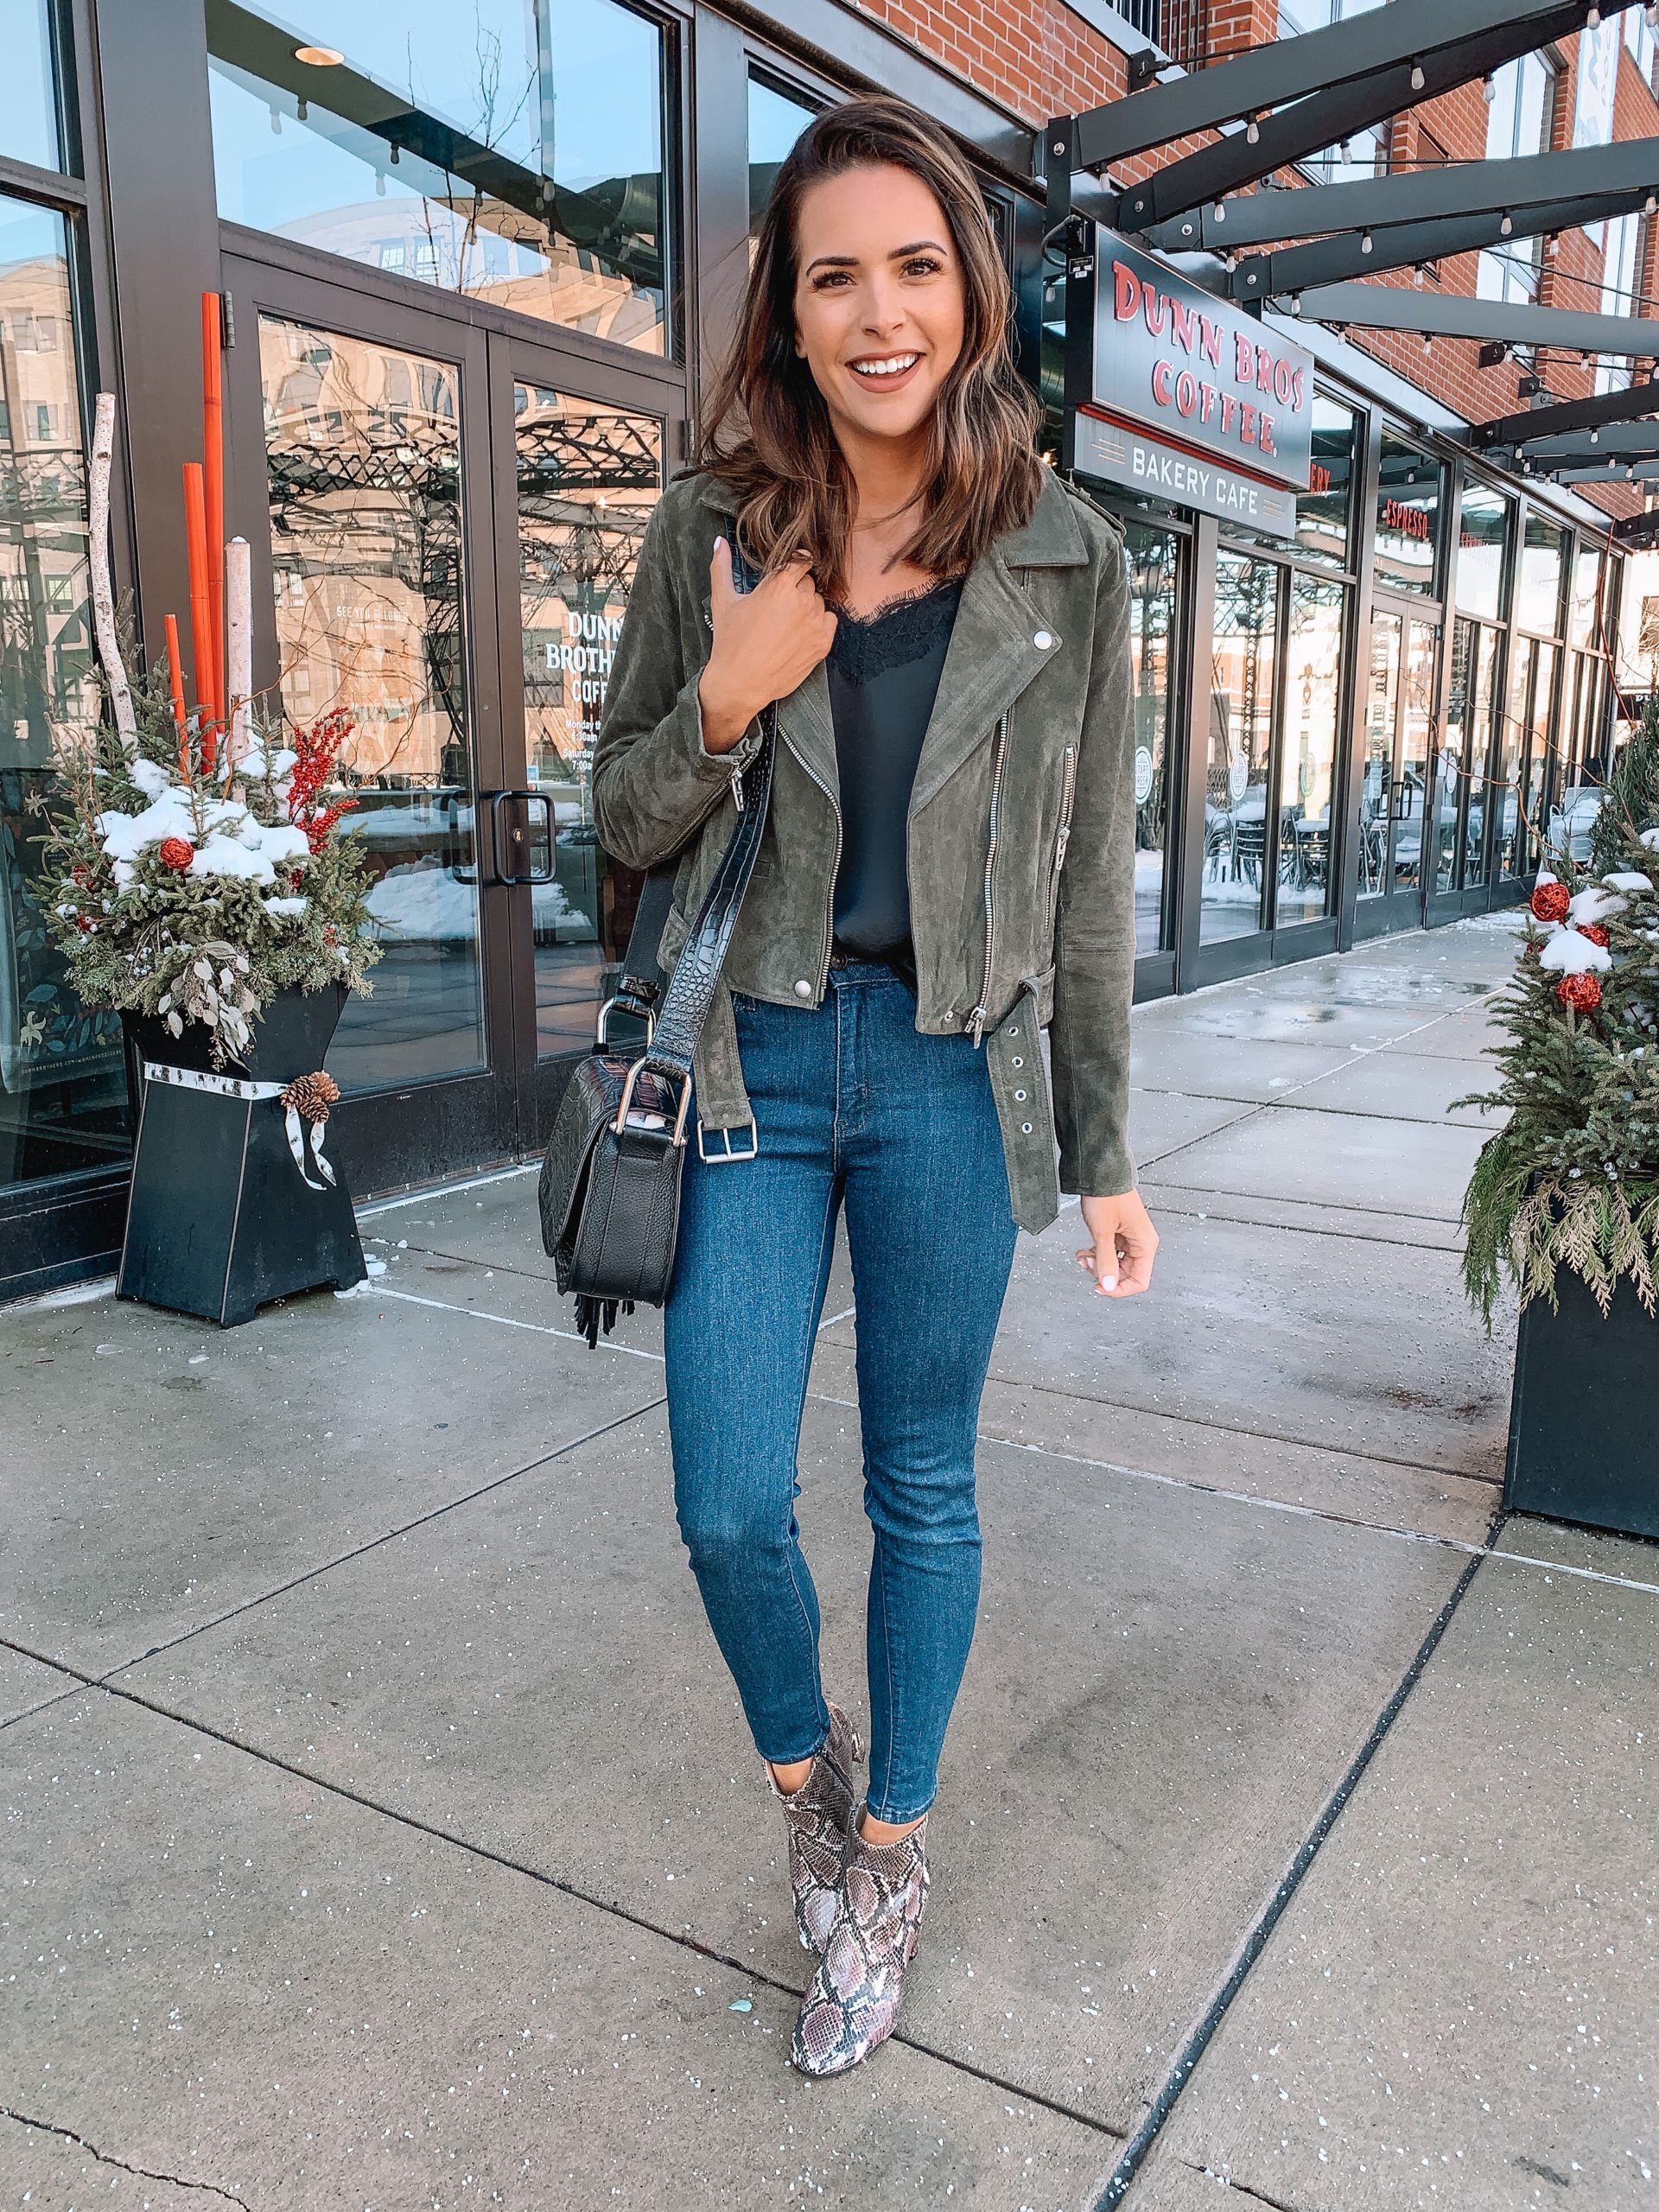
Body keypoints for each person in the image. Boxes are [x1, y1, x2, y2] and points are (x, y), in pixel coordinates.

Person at [591, 92, 1157, 2078]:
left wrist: (1100, 1144)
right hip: (751, 1059)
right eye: (837, 274)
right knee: (731, 1494)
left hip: (943, 1070)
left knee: (924, 1481)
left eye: (915, 264)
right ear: (791, 310)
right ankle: (808, 1784)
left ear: (969, 291)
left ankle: (891, 1848)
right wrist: (733, 694)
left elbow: (1092, 879)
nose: (880, 309)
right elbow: (622, 818)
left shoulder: (1073, 559)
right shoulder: (708, 529)